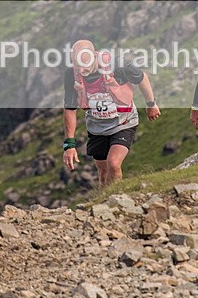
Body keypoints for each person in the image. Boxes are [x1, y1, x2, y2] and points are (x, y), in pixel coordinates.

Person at [62, 39, 161, 187]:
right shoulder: (71, 74)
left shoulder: (118, 65)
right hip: (96, 126)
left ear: (94, 55)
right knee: (102, 171)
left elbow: (142, 78)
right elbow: (70, 108)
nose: (82, 71)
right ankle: (104, 203)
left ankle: (117, 200)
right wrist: (69, 144)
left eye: (86, 65)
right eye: (78, 66)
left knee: (113, 164)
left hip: (123, 122)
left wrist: (151, 104)